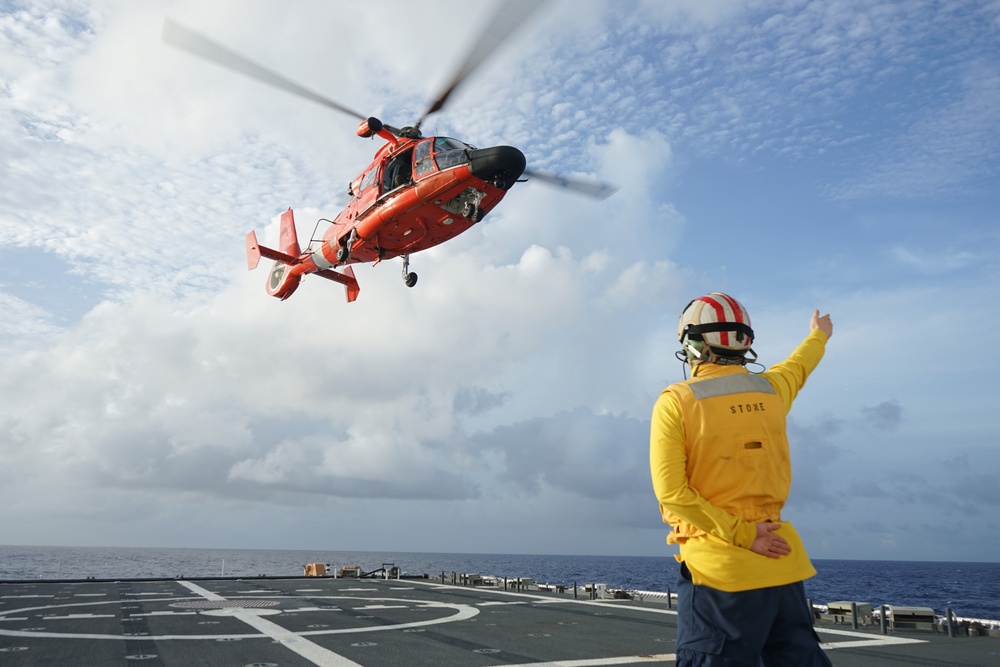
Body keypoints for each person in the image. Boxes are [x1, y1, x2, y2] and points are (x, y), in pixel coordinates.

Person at [649, 292, 834, 666]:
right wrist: (819, 335)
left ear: (691, 344)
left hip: (721, 573)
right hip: (782, 565)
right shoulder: (771, 389)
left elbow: (672, 493)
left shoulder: (677, 401)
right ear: (745, 342)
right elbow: (800, 365)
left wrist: (744, 536)